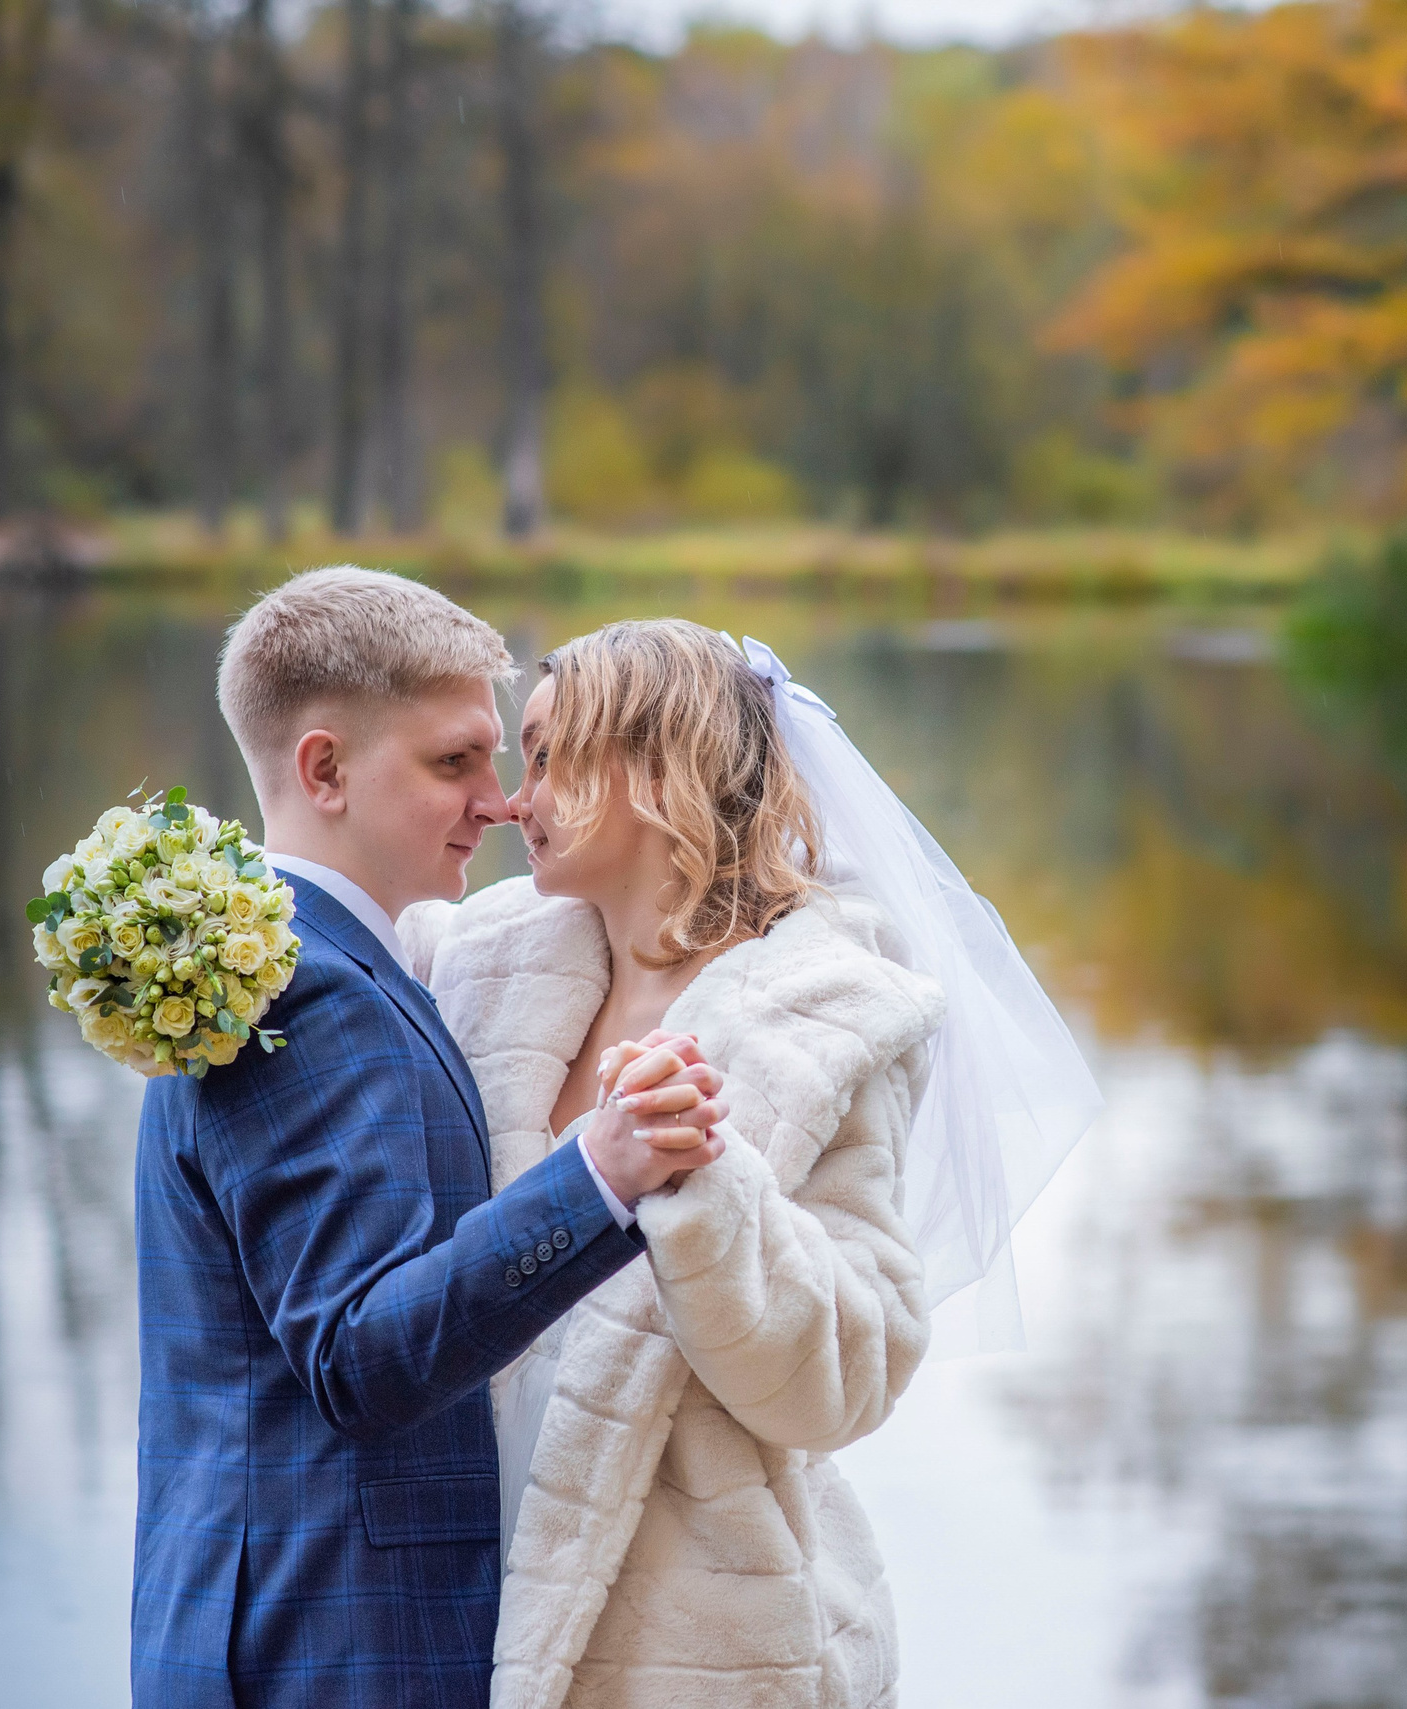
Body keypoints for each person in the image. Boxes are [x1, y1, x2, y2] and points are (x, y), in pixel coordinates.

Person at [400, 619, 1099, 1709]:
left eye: (544, 757)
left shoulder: (828, 1021)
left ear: (645, 768)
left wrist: (702, 1186)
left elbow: (848, 1376)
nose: (508, 799)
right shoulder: (471, 964)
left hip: (703, 1644)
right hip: (455, 1610)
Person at [131, 569, 727, 1709]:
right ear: (324, 770)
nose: (499, 801)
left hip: (256, 1627)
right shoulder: (308, 993)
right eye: (454, 761)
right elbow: (362, 1356)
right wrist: (596, 1174)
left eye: (499, 759)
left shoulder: (280, 963)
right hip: (334, 1651)